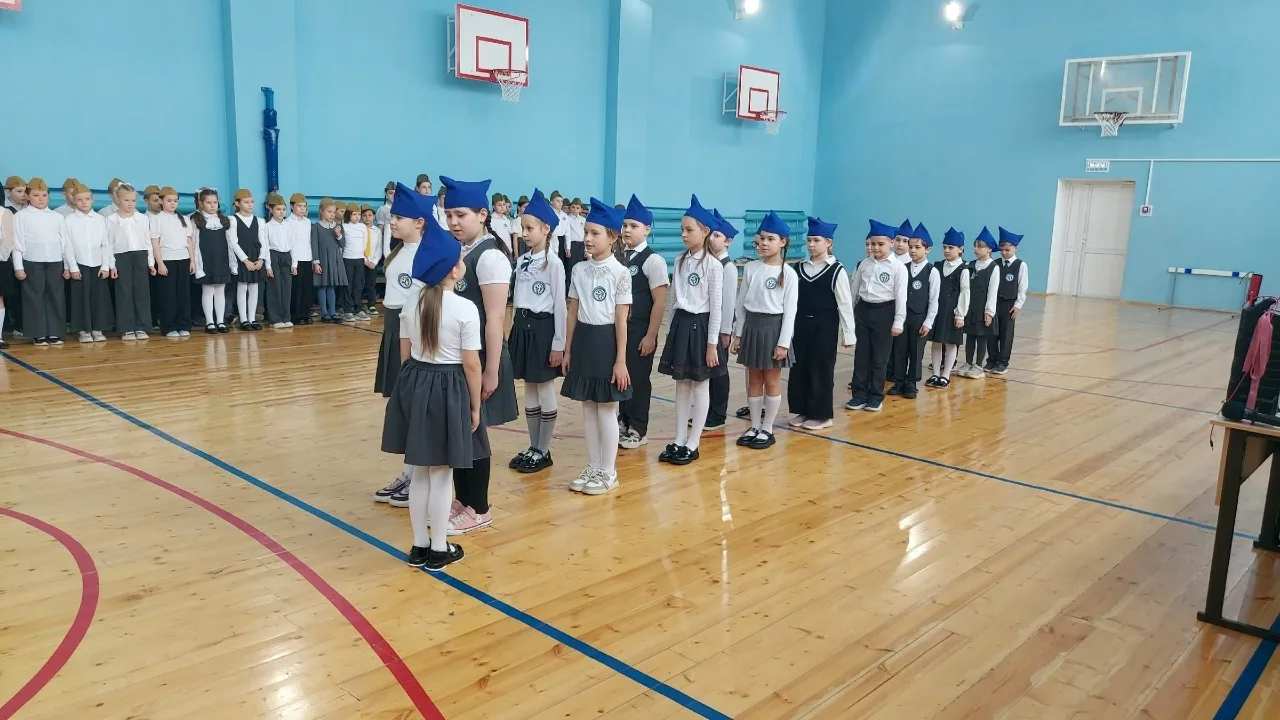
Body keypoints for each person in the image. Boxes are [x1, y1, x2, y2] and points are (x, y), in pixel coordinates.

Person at [380, 205, 478, 572]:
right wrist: (474, 405)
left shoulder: (411, 303)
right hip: (449, 387)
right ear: (454, 269)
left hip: (416, 382)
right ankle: (439, 548)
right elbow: (471, 364)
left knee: (420, 471)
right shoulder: (465, 308)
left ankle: (419, 545)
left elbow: (405, 354)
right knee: (442, 473)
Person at [439, 176, 518, 535]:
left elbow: (495, 318)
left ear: (482, 215)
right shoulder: (461, 251)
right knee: (461, 430)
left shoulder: (490, 257)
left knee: (475, 432)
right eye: (449, 215)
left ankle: (480, 507)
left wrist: (491, 370)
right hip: (458, 357)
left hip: (481, 358)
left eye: (461, 215)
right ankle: (463, 499)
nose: (454, 222)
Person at [561, 199, 631, 494]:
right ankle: (593, 465)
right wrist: (568, 349)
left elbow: (621, 320)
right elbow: (572, 311)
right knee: (588, 408)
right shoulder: (579, 270)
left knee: (606, 410)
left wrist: (620, 360)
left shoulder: (620, 273)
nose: (588, 238)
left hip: (606, 344)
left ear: (612, 237)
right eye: (586, 232)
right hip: (583, 342)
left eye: (595, 233)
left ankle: (608, 471)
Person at [373, 183, 433, 508]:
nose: (393, 221)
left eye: (399, 217)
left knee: (413, 405)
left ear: (419, 222)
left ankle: (418, 477)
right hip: (393, 328)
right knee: (401, 405)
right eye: (393, 216)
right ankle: (409, 473)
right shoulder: (398, 251)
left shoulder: (426, 254)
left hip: (412, 332)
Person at [657, 195, 725, 466]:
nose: (684, 235)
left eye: (689, 230)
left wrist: (711, 344)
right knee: (681, 384)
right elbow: (675, 299)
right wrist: (670, 331)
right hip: (681, 325)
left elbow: (716, 307)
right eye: (682, 230)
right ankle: (679, 438)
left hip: (702, 327)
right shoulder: (679, 260)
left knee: (700, 384)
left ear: (705, 231)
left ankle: (694, 441)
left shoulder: (714, 266)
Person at [507, 190, 567, 474]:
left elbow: (560, 305)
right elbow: (517, 299)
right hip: (522, 328)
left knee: (544, 388)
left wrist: (559, 343)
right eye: (523, 228)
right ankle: (533, 446)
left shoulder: (554, 263)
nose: (524, 233)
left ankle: (544, 449)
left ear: (546, 229)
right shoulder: (521, 261)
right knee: (529, 388)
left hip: (543, 330)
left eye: (530, 228)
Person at [732, 211, 798, 449]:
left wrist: (783, 343)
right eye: (761, 238)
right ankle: (754, 425)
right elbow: (741, 304)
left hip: (773, 330)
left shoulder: (789, 274)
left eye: (771, 239)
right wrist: (738, 334)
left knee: (771, 380)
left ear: (783, 242)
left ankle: (767, 427)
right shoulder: (751, 268)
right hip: (752, 327)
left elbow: (790, 312)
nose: (764, 243)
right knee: (753, 379)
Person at [787, 217, 854, 430]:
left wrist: (848, 334)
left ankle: (822, 414)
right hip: (800, 325)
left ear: (828, 243)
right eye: (809, 240)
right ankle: (803, 409)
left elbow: (845, 304)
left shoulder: (836, 270)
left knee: (821, 368)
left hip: (825, 326)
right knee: (800, 368)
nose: (811, 244)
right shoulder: (799, 268)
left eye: (816, 240)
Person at [618, 194, 668, 450]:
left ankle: (639, 428)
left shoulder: (653, 260)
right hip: (620, 329)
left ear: (647, 229)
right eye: (625, 225)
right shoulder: (619, 257)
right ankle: (623, 420)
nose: (627, 230)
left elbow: (659, 302)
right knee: (620, 375)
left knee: (638, 379)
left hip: (640, 330)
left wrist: (650, 336)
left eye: (633, 226)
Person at [847, 220, 907, 412]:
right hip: (863, 311)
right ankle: (859, 395)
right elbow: (854, 291)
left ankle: (875, 396)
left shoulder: (898, 267)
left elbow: (901, 296)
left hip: (885, 312)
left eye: (880, 244)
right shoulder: (864, 264)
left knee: (879, 358)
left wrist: (898, 321)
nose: (875, 248)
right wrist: (850, 316)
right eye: (872, 244)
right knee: (861, 356)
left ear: (891, 243)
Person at [12, 178, 72, 346]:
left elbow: (64, 243)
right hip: (32, 261)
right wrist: (18, 267)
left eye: (44, 195)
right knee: (34, 297)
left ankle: (54, 331)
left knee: (55, 295)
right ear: (28, 196)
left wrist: (67, 266)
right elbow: (17, 243)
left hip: (55, 261)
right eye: (36, 195)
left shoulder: (57, 217)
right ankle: (37, 333)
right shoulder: (21, 216)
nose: (41, 199)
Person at [889, 224, 939, 400]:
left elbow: (934, 300)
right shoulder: (902, 268)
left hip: (919, 318)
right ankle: (899, 381)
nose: (912, 250)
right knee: (900, 350)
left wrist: (928, 322)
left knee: (916, 352)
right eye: (910, 247)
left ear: (927, 249)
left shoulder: (932, 271)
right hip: (903, 317)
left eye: (917, 247)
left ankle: (912, 383)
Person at [192, 188, 247, 334]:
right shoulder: (196, 220)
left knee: (220, 291)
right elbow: (194, 244)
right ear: (201, 203)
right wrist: (197, 264)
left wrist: (232, 263)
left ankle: (220, 321)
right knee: (208, 290)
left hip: (221, 260)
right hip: (206, 261)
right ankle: (210, 321)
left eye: (215, 202)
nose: (212, 205)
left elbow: (230, 243)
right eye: (208, 203)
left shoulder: (224, 220)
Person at [65, 183, 113, 342]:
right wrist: (72, 267)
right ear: (74, 200)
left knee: (99, 298)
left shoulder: (100, 219)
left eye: (87, 199)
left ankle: (98, 328)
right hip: (80, 264)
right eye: (79, 199)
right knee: (81, 298)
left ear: (92, 200)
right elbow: (68, 245)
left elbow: (106, 244)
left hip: (97, 264)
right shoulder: (69, 220)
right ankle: (84, 330)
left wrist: (105, 266)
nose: (84, 202)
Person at [106, 183, 154, 340]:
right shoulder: (111, 220)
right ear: (118, 199)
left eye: (133, 200)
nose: (130, 204)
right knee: (124, 292)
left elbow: (147, 241)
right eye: (126, 200)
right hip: (121, 257)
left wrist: (151, 262)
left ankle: (142, 326)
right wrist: (112, 265)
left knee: (142, 292)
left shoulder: (142, 219)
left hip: (140, 256)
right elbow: (109, 244)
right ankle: (127, 328)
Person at [925, 228, 970, 388]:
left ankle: (946, 374)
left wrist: (960, 314)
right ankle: (936, 373)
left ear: (960, 249)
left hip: (952, 310)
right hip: (938, 308)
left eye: (950, 247)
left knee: (951, 343)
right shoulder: (937, 266)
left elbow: (965, 292)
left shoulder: (963, 269)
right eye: (944, 247)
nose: (946, 250)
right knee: (936, 342)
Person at [707, 210, 737, 430]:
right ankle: (707, 410)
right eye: (711, 234)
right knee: (707, 371)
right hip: (707, 325)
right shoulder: (709, 263)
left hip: (720, 328)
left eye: (717, 236)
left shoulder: (729, 268)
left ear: (728, 241)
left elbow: (728, 303)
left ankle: (718, 414)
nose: (712, 239)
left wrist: (726, 331)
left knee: (719, 372)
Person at [150, 187, 194, 338]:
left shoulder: (184, 219)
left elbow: (189, 241)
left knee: (183, 294)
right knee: (168, 295)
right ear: (161, 201)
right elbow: (155, 243)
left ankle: (184, 324)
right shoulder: (156, 219)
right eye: (169, 201)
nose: (172, 203)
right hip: (166, 260)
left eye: (175, 201)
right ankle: (169, 326)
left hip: (183, 259)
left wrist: (192, 261)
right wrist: (160, 263)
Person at [985, 227, 1026, 376]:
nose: (1004, 252)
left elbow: (1022, 287)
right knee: (991, 333)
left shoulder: (1020, 265)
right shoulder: (994, 264)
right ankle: (992, 359)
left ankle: (1003, 362)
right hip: (994, 303)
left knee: (1006, 334)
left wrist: (1018, 305)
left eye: (1008, 250)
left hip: (1009, 304)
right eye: (1002, 249)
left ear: (1016, 248)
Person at [958, 227, 998, 378]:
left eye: (980, 246)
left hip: (983, 308)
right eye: (975, 246)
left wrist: (989, 312)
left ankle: (978, 365)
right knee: (970, 336)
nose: (976, 249)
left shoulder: (993, 267)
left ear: (989, 249)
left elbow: (992, 290)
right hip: (970, 307)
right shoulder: (970, 265)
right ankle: (968, 362)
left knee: (981, 337)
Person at [231, 189, 267, 330]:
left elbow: (263, 242)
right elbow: (233, 243)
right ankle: (244, 319)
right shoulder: (233, 220)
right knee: (242, 287)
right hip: (242, 259)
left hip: (256, 257)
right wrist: (245, 260)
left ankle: (252, 318)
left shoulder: (259, 221)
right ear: (237, 203)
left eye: (251, 202)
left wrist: (261, 259)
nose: (250, 204)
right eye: (246, 202)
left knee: (254, 287)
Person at [310, 198, 348, 324]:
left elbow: (343, 244)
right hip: (322, 259)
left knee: (331, 286)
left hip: (334, 259)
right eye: (329, 212)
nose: (332, 214)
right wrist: (316, 262)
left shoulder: (338, 227)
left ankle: (332, 311)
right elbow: (314, 245)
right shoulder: (316, 227)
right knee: (322, 286)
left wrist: (339, 235)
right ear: (322, 212)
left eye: (334, 212)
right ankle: (324, 312)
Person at [262, 193, 294, 328]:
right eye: (278, 209)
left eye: (283, 209)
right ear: (271, 209)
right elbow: (265, 246)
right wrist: (268, 266)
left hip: (287, 256)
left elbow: (293, 244)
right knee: (274, 288)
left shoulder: (288, 225)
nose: (281, 212)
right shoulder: (267, 226)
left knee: (286, 288)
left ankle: (286, 317)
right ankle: (275, 319)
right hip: (273, 256)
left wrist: (294, 263)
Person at [287, 193, 315, 325]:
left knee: (307, 288)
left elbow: (309, 242)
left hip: (307, 258)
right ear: (292, 207)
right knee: (296, 289)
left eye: (304, 206)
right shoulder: (288, 222)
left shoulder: (307, 222)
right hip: (295, 259)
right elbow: (290, 243)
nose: (302, 209)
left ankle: (305, 313)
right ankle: (295, 314)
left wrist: (313, 260)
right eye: (299, 206)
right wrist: (293, 263)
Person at [340, 201, 369, 321]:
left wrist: (361, 254)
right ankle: (348, 309)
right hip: (347, 258)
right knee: (348, 284)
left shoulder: (362, 227)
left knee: (358, 284)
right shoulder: (344, 226)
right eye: (354, 214)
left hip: (359, 259)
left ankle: (358, 308)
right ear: (348, 215)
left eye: (358, 214)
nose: (357, 217)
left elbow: (365, 242)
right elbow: (342, 243)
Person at [360, 205, 380, 316]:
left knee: (371, 284)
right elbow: (358, 247)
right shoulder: (359, 229)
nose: (367, 217)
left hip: (372, 262)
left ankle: (371, 305)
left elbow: (378, 248)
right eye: (364, 215)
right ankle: (358, 305)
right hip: (360, 261)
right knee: (359, 284)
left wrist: (374, 261)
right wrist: (365, 260)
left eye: (369, 215)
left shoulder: (377, 231)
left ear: (374, 216)